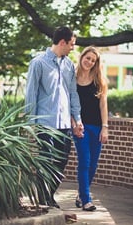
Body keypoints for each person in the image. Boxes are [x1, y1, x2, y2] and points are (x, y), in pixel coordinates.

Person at [25, 26, 84, 208]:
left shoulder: (68, 65)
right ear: (62, 42)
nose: (73, 48)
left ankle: (47, 193)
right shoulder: (38, 63)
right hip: (44, 123)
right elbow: (31, 95)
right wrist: (31, 125)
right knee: (46, 160)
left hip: (64, 123)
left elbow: (72, 93)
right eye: (72, 44)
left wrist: (77, 118)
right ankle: (46, 198)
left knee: (62, 161)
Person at [72, 46, 108, 211]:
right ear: (82, 57)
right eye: (88, 58)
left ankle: (81, 193)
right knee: (84, 162)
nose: (89, 62)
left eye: (93, 60)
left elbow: (103, 105)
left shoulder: (99, 79)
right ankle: (87, 199)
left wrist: (105, 127)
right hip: (81, 126)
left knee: (93, 163)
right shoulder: (71, 77)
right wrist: (74, 123)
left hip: (97, 126)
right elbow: (68, 104)